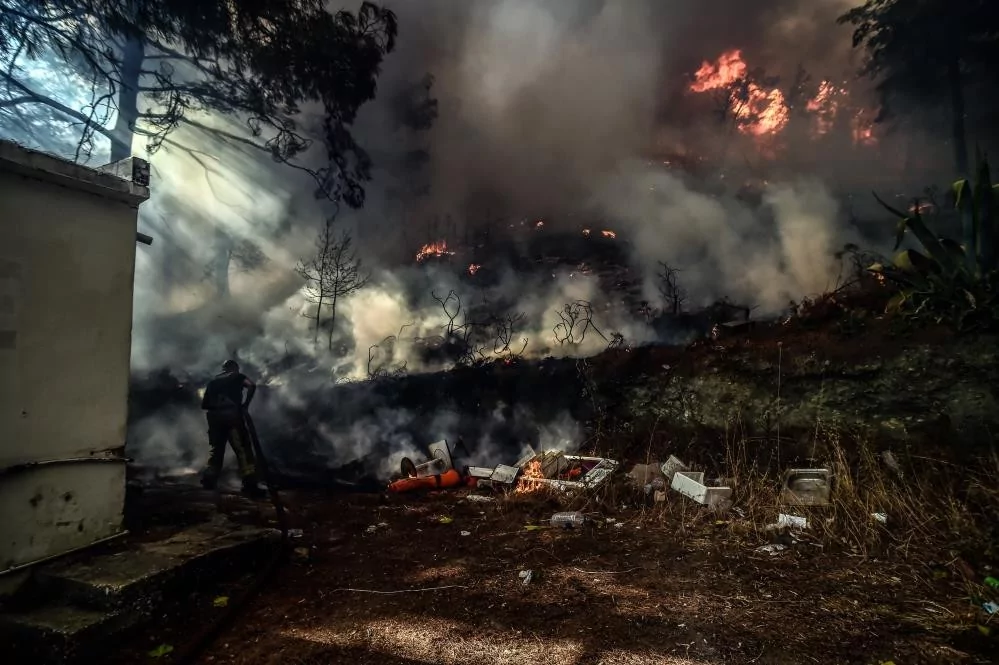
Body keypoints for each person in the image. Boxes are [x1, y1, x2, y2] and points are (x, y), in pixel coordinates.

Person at [199, 360, 266, 498]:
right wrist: (245, 405)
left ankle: (209, 480)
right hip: (232, 417)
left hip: (214, 419)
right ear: (235, 368)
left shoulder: (213, 381)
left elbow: (204, 405)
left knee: (216, 449)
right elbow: (252, 386)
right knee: (242, 449)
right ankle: (249, 484)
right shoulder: (237, 376)